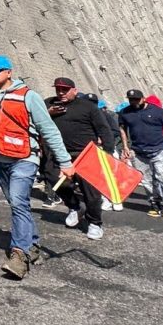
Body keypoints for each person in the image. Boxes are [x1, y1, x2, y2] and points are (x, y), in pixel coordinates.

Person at [0, 56, 73, 280]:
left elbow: (48, 129)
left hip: (25, 159)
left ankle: (19, 256)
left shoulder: (29, 96)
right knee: (16, 203)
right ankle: (33, 245)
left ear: (9, 72)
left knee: (19, 202)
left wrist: (65, 162)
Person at [44, 78, 114, 240]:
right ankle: (74, 207)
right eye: (58, 89)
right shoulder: (48, 104)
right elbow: (32, 119)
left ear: (74, 91)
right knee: (55, 180)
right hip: (59, 154)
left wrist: (108, 153)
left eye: (65, 89)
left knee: (91, 192)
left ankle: (95, 222)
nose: (61, 93)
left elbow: (104, 129)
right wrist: (48, 113)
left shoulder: (88, 107)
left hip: (86, 154)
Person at [117, 89, 163, 222]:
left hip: (159, 149)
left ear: (143, 98)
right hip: (139, 152)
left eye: (136, 99)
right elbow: (122, 130)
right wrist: (125, 147)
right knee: (147, 181)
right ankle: (155, 204)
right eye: (131, 99)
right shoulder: (125, 112)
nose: (134, 102)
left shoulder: (158, 111)